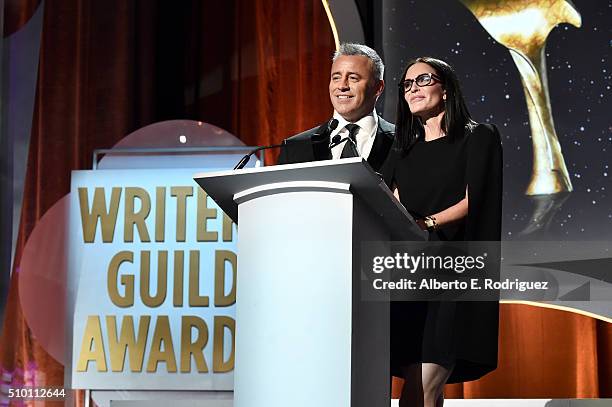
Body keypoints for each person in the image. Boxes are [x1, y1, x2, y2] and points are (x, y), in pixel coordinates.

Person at [388, 57, 503, 407]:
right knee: (424, 391)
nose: (413, 89)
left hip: (453, 274)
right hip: (410, 278)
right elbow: (390, 204)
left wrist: (427, 223)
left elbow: (476, 199)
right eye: (407, 84)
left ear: (447, 88)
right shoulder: (402, 151)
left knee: (420, 390)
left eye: (423, 80)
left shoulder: (477, 136)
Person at [277, 43, 395, 181]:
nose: (342, 86)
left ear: (378, 88)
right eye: (336, 77)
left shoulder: (403, 143)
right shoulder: (294, 149)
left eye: (353, 78)